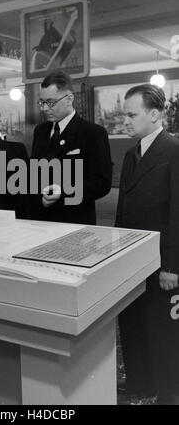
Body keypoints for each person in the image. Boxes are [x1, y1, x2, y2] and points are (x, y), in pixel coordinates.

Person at [116, 83, 179, 405]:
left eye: (131, 114)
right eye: (123, 114)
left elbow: (177, 214)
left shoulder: (173, 150)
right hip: (133, 260)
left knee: (162, 330)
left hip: (162, 263)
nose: (124, 121)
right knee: (134, 323)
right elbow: (123, 211)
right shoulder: (132, 153)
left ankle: (169, 391)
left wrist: (172, 266)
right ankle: (140, 381)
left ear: (154, 115)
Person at [30, 70, 112, 224]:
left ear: (69, 99)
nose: (45, 108)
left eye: (51, 102)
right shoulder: (40, 131)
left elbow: (102, 183)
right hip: (41, 221)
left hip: (75, 221)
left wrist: (64, 192)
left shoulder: (92, 133)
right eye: (42, 102)